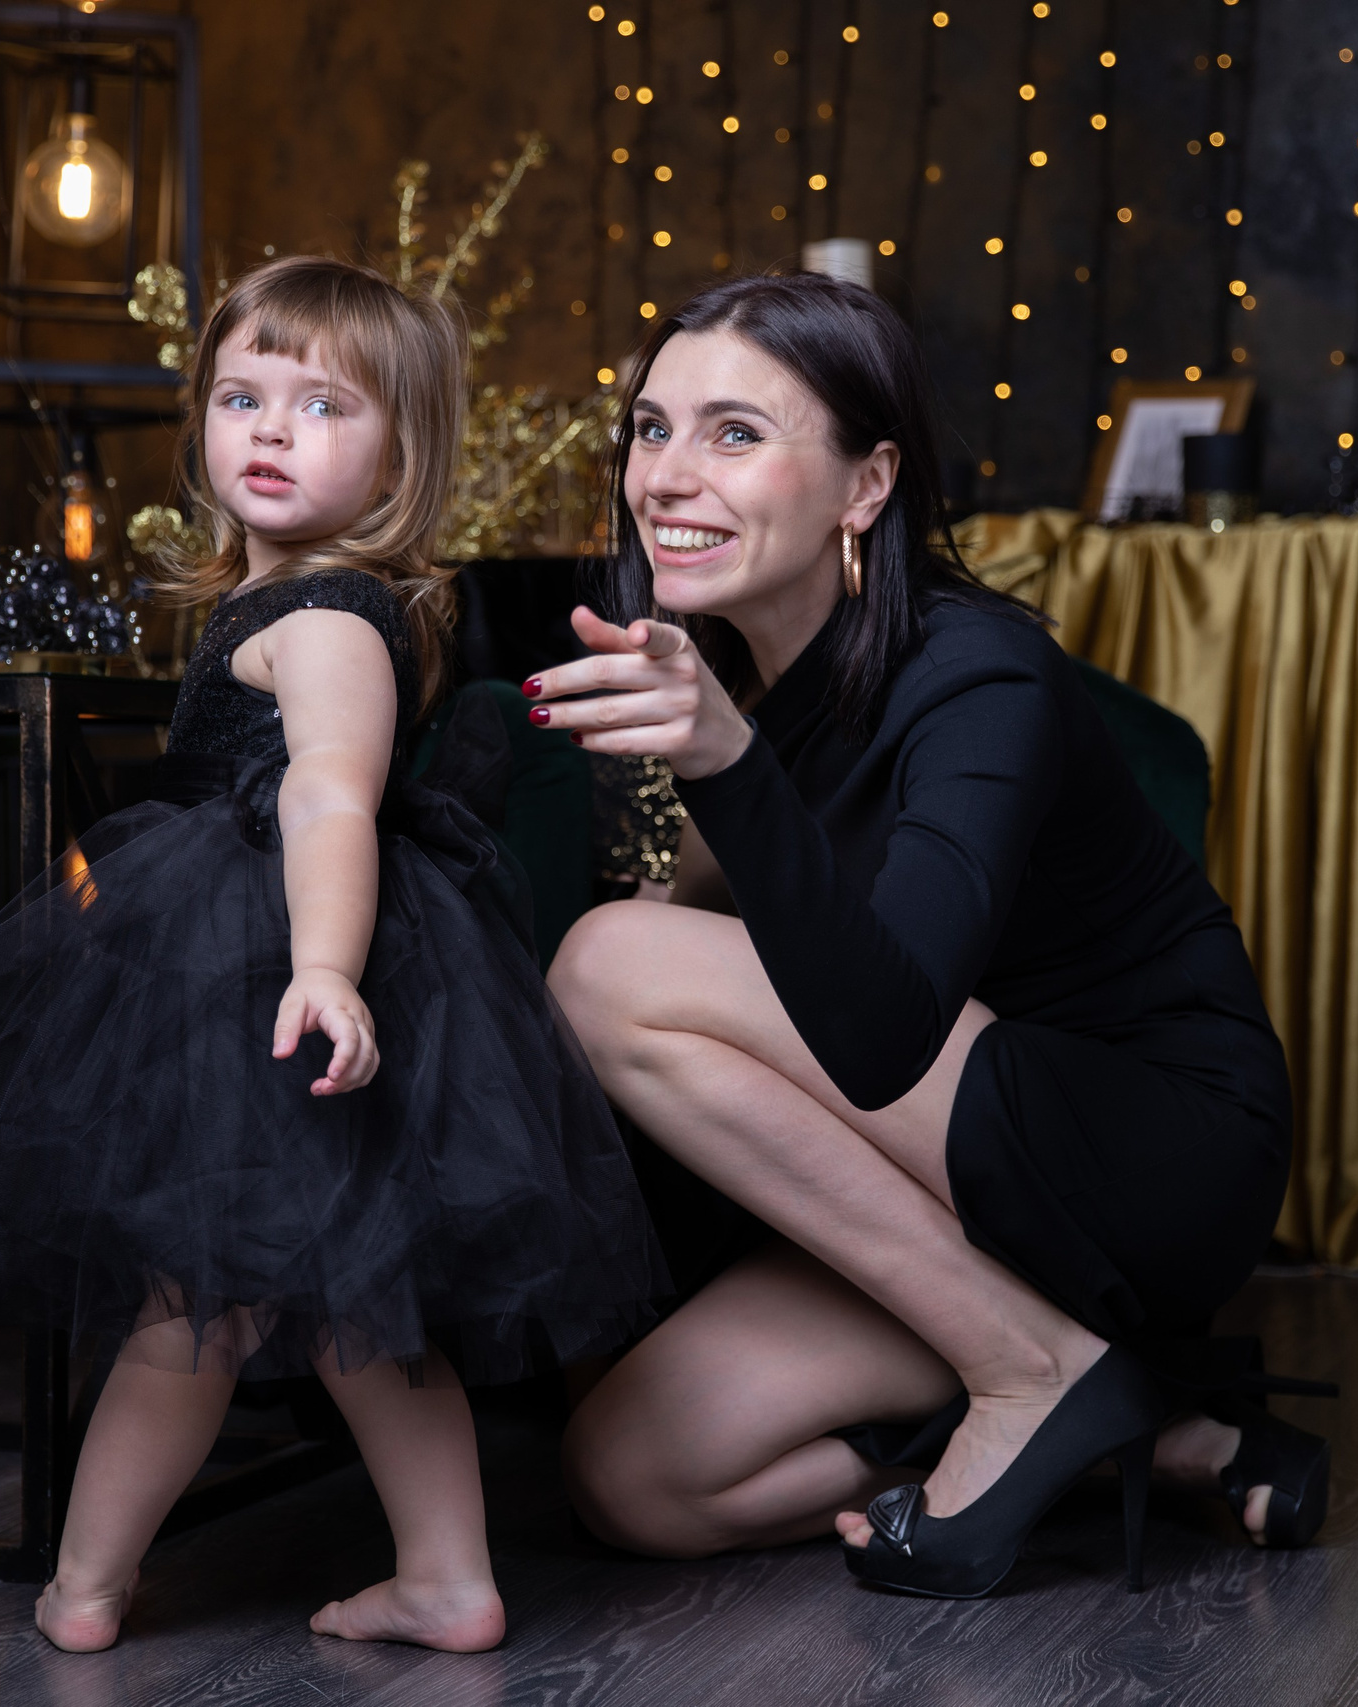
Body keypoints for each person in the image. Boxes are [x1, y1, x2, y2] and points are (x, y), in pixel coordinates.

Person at [0, 256, 665, 1654]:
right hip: (268, 973)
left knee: (189, 1307)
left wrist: (326, 967)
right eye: (243, 396)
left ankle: (86, 1584)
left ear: (404, 457)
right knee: (359, 1309)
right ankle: (447, 1576)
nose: (271, 431)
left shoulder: (329, 621)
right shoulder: (293, 605)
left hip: (272, 981)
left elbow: (327, 794)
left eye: (324, 406)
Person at [531, 272, 1312, 1600]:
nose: (663, 475)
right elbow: (733, 979)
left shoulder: (978, 672)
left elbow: (882, 1031)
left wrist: (723, 769)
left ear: (867, 484)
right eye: (650, 430)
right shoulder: (748, 685)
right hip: (958, 1185)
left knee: (605, 963)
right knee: (633, 1476)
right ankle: (1140, 1419)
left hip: (1149, 1145)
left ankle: (1029, 1375)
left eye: (733, 432)